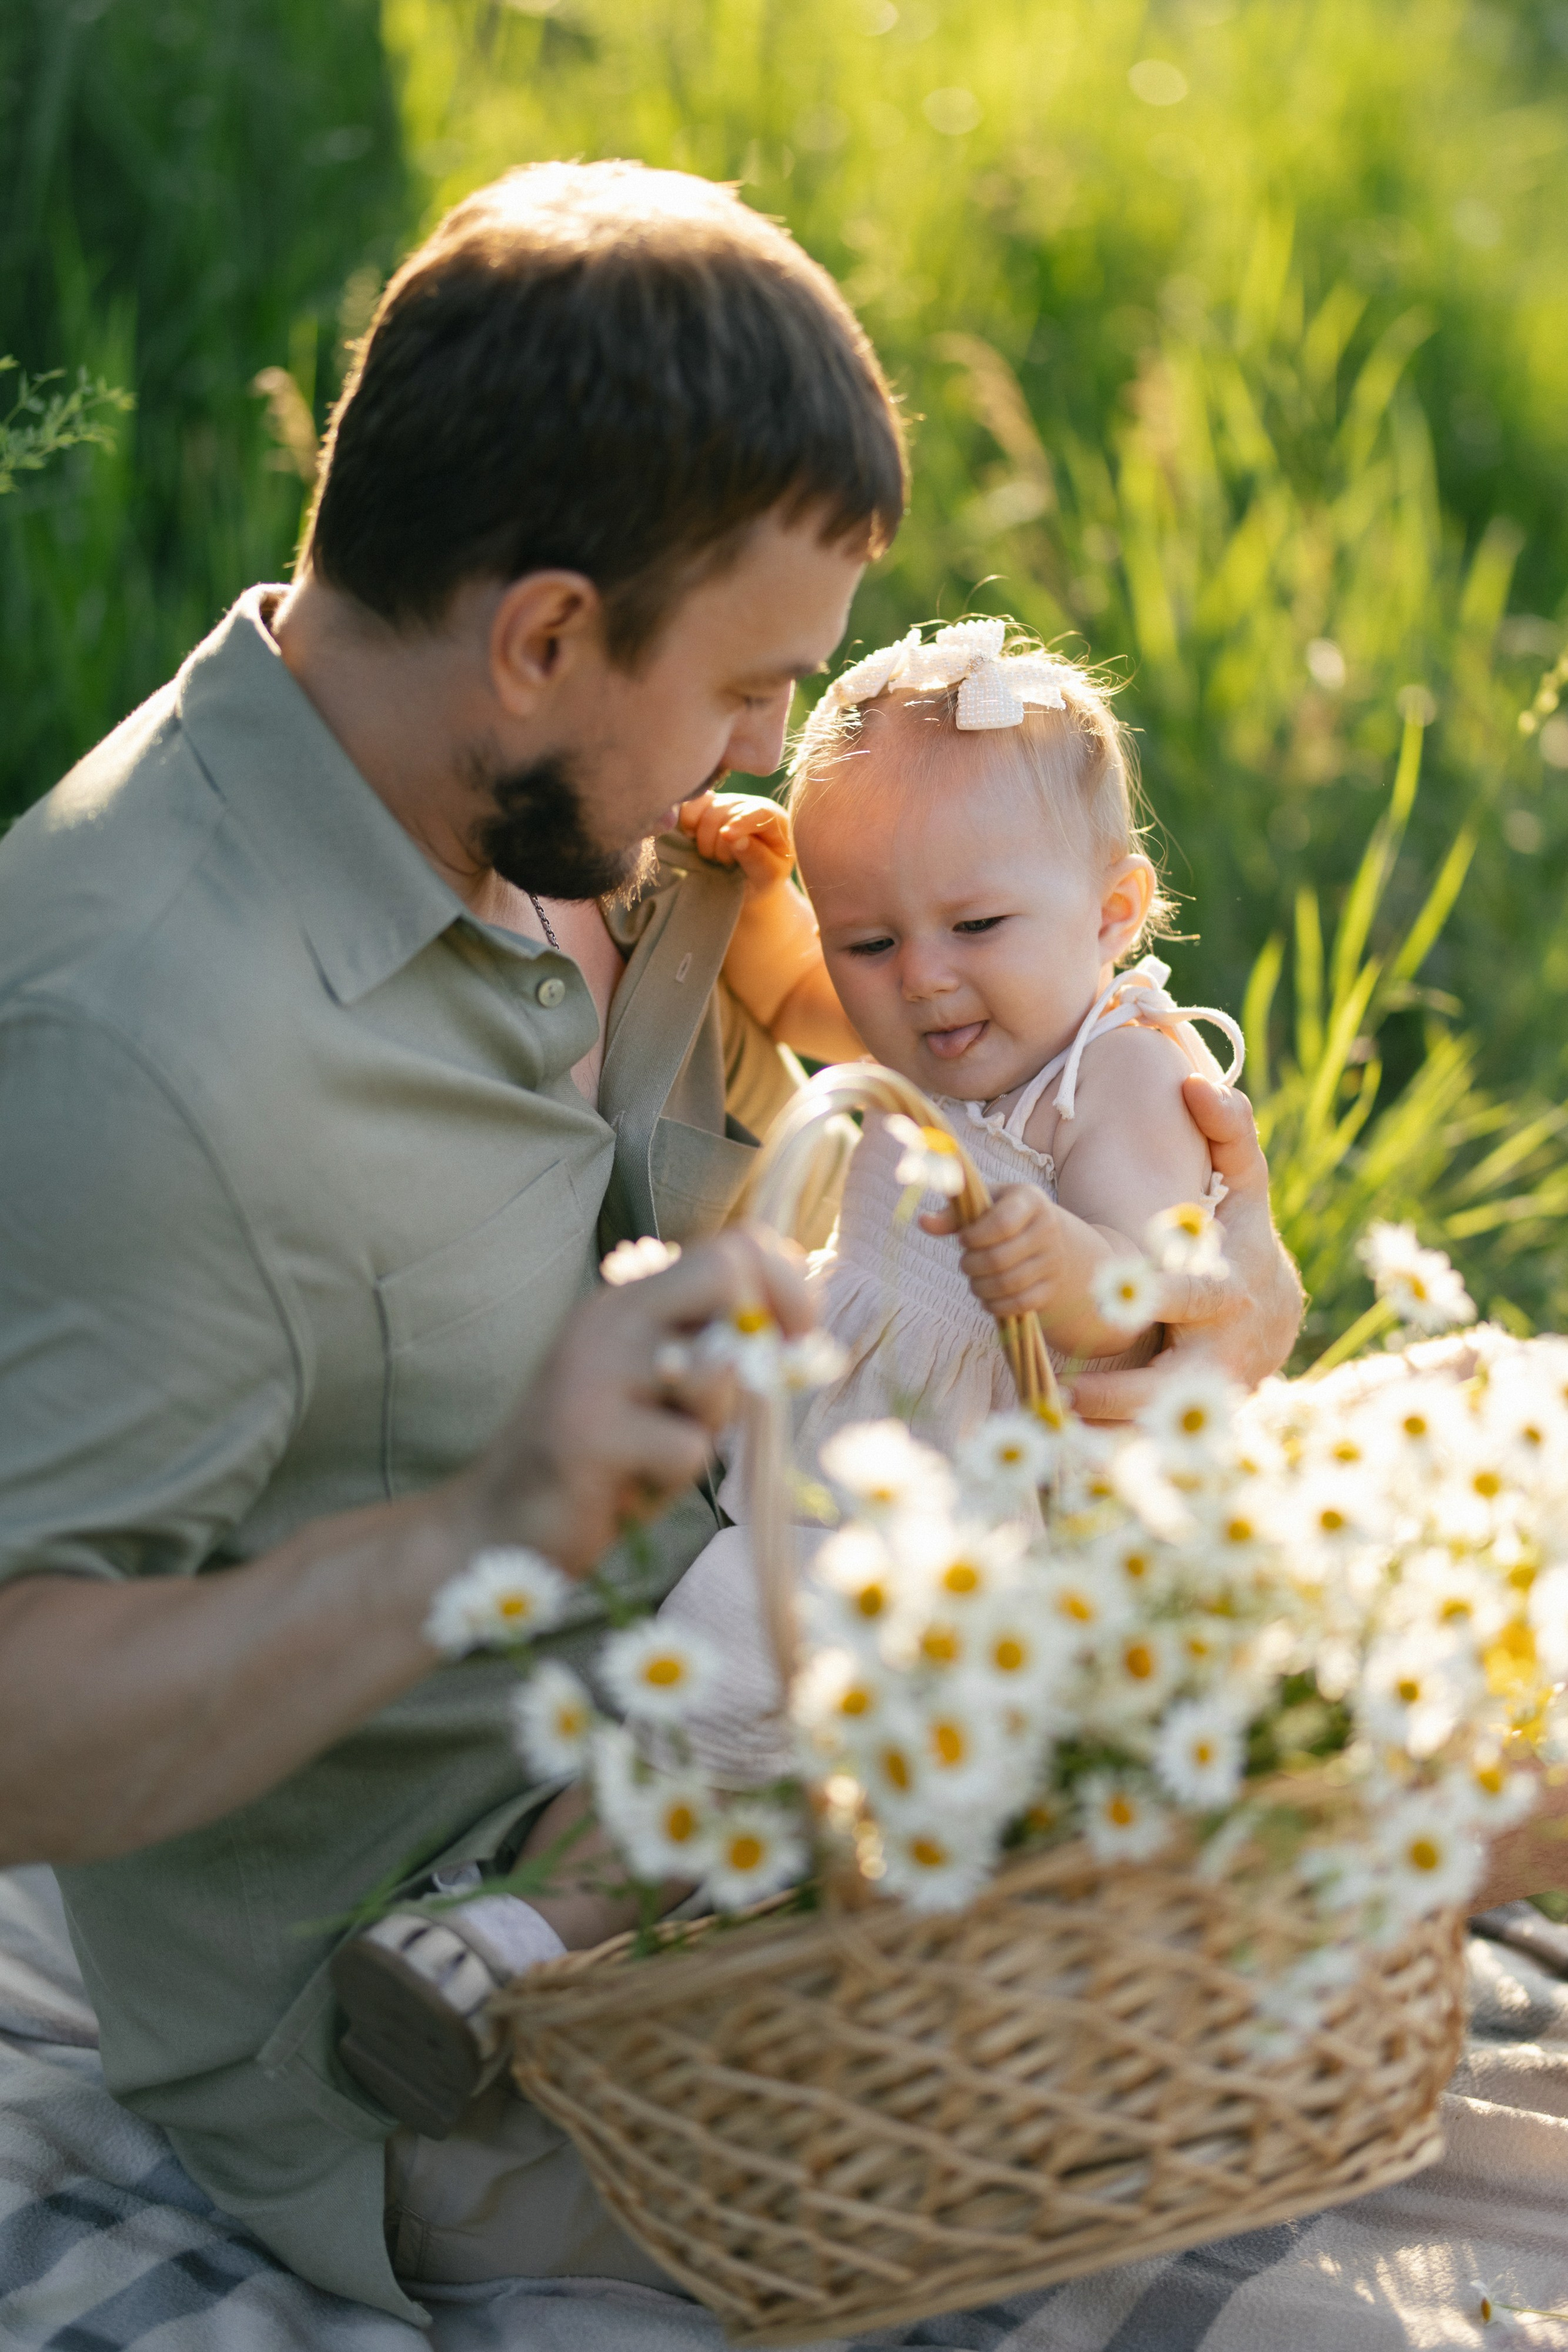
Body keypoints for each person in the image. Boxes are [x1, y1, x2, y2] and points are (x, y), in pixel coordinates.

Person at [0, 159, 1303, 2326]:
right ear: (542, 635)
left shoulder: (596, 821)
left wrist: (1211, 1271)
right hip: (457, 2017)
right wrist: (498, 1515)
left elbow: (991, 1060)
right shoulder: (134, 1046)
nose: (766, 759)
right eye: (740, 690)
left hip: (824, 1711)